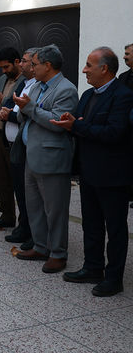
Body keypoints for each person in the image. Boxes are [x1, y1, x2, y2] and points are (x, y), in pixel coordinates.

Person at [52, 47, 133, 296]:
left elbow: (114, 133)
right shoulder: (87, 95)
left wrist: (79, 126)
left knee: (116, 228)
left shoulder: (124, 95)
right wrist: (71, 121)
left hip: (113, 175)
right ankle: (93, 267)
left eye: (89, 65)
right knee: (92, 224)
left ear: (104, 69)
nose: (84, 70)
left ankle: (114, 278)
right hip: (88, 171)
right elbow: (80, 123)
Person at [14, 44, 79, 273]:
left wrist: (29, 109)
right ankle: (41, 246)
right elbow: (27, 115)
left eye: (35, 64)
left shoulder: (66, 89)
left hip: (52, 158)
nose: (31, 68)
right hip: (31, 154)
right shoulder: (35, 87)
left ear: (48, 66)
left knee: (55, 210)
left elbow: (57, 123)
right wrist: (21, 110)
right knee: (34, 207)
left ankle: (58, 254)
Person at [0, 48, 39, 250]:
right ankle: (23, 227)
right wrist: (5, 110)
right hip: (12, 142)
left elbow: (28, 114)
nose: (21, 65)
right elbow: (12, 106)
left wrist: (10, 115)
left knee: (28, 192)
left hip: (26, 144)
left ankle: (32, 231)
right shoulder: (25, 83)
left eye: (25, 61)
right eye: (21, 61)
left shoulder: (37, 86)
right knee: (20, 190)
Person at [0, 47, 26, 229]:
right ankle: (6, 215)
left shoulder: (27, 81)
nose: (4, 71)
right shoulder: (3, 79)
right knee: (1, 180)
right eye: (1, 67)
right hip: (0, 134)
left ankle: (24, 222)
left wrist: (3, 98)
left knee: (19, 181)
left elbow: (20, 108)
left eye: (7, 67)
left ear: (17, 62)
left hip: (16, 138)